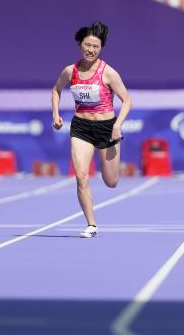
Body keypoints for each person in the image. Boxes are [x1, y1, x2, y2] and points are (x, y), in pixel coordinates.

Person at [51, 21, 133, 238]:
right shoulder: (70, 71)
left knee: (111, 181)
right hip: (81, 127)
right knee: (81, 176)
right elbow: (56, 90)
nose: (91, 50)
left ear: (101, 48)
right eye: (88, 45)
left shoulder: (109, 73)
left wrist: (117, 125)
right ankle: (91, 224)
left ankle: (112, 162)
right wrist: (56, 114)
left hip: (107, 128)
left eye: (96, 47)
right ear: (80, 45)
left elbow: (127, 101)